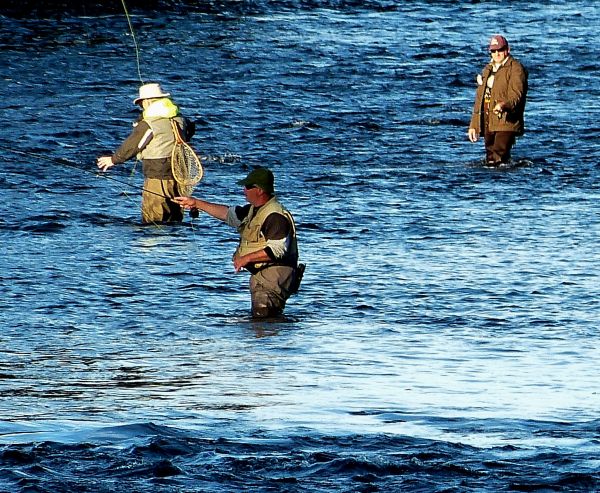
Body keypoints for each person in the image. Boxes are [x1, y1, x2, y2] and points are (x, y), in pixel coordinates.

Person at [174, 167, 304, 318]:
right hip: (264, 277)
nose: (244, 189)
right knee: (263, 324)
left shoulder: (275, 216)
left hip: (273, 278)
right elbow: (227, 214)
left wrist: (246, 259)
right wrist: (196, 203)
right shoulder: (253, 210)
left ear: (260, 190)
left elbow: (277, 250)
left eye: (248, 186)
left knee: (264, 323)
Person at [97, 83, 195, 223]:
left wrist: (113, 160)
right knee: (175, 219)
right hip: (179, 175)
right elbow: (190, 130)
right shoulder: (180, 119)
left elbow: (133, 146)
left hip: (157, 175)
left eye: (141, 103)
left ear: (147, 102)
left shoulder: (149, 124)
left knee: (154, 221)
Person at [468, 35, 528, 165]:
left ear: (508, 49)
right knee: (490, 158)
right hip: (488, 120)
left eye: (500, 50)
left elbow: (516, 96)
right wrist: (474, 125)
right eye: (493, 51)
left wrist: (503, 105)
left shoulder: (516, 69)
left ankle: (502, 183)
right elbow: (479, 98)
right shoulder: (487, 70)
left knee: (498, 158)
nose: (497, 54)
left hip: (507, 121)